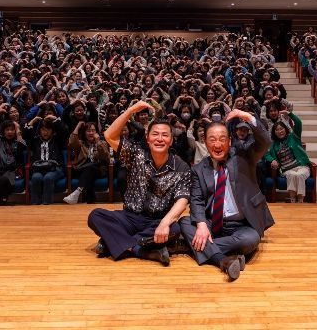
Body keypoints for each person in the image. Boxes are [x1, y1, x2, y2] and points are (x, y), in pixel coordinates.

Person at [88, 101, 190, 266]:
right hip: (129, 217)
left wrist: (164, 223)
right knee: (96, 216)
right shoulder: (136, 154)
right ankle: (139, 249)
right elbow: (109, 136)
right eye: (155, 134)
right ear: (147, 138)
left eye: (165, 135)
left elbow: (182, 200)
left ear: (171, 140)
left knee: (174, 228)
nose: (160, 139)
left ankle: (112, 242)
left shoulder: (181, 166)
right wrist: (131, 110)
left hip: (156, 221)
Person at [179, 108, 274, 281]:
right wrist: (202, 225)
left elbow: (265, 141)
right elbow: (197, 201)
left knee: (250, 240)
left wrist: (246, 116)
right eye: (212, 140)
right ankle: (224, 259)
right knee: (185, 222)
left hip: (242, 224)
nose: (217, 144)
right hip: (213, 224)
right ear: (205, 142)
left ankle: (190, 246)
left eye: (222, 139)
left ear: (230, 141)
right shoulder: (199, 169)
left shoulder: (244, 157)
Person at [264, 112, 311, 203]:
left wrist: (289, 114)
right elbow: (266, 154)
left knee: (299, 175)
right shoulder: (273, 144)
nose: (280, 131)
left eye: (281, 129)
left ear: (285, 129)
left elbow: (298, 123)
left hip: (301, 166)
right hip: (286, 169)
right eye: (277, 130)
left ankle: (299, 201)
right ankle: (293, 201)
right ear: (274, 133)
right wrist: (272, 160)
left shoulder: (294, 137)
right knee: (292, 175)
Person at [64, 121, 110, 204]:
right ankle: (90, 202)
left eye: (93, 130)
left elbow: (105, 157)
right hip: (82, 169)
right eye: (88, 131)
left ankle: (77, 191)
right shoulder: (81, 144)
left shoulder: (102, 143)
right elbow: (71, 142)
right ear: (84, 133)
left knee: (90, 169)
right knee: (89, 174)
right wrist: (78, 126)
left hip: (98, 169)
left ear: (96, 132)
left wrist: (98, 142)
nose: (91, 133)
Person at [0, 120, 27, 206]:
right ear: (3, 131)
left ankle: (3, 201)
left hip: (9, 171)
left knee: (4, 180)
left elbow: (24, 147)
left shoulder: (17, 143)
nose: (10, 132)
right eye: (7, 130)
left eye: (12, 130)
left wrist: (18, 130)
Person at [27, 116, 64, 205]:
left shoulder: (57, 140)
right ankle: (36, 204)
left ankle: (47, 204)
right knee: (36, 178)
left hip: (55, 168)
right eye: (43, 130)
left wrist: (55, 119)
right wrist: (33, 121)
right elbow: (26, 134)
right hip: (38, 168)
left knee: (48, 178)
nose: (45, 132)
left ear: (52, 130)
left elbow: (63, 131)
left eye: (48, 130)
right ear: (39, 130)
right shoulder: (35, 141)